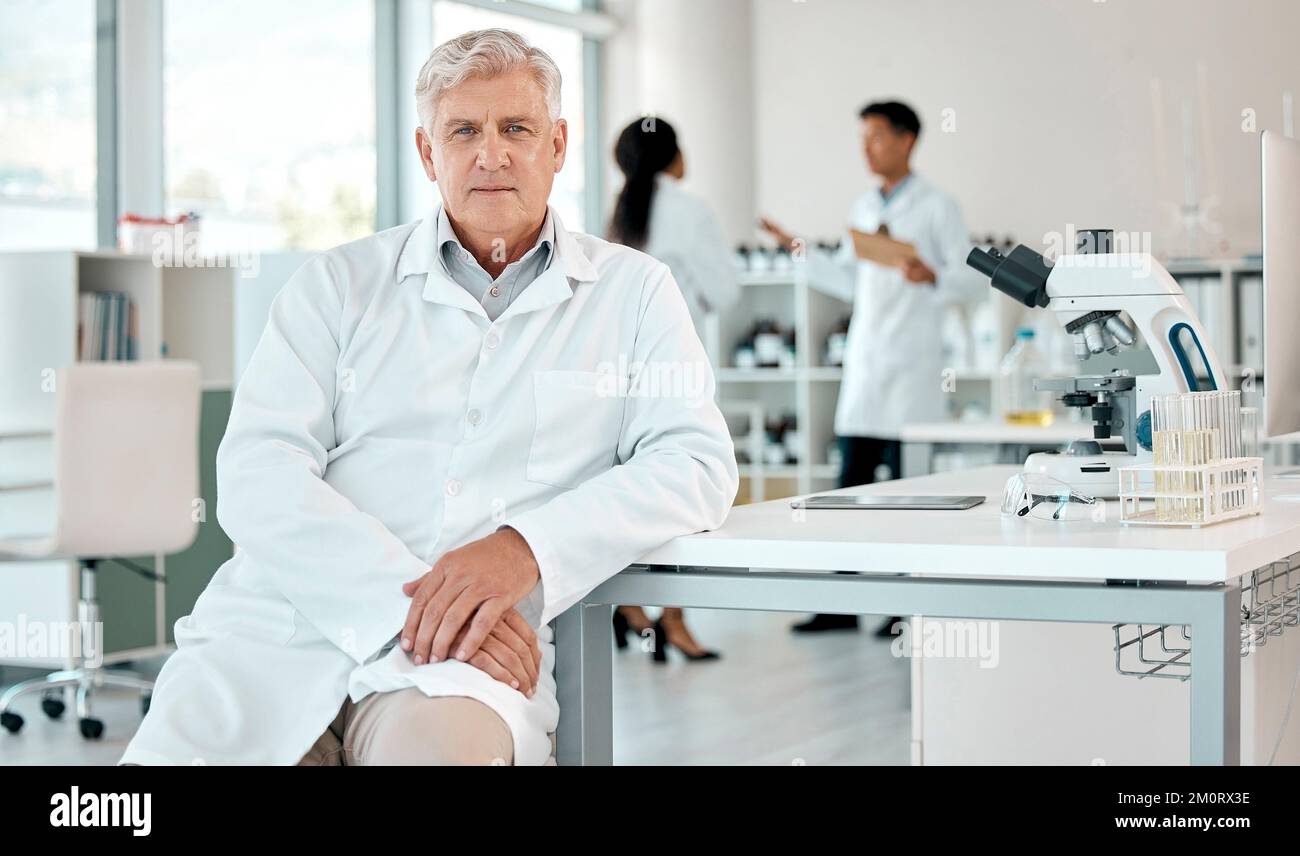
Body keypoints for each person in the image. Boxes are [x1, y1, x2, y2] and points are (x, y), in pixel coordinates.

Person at [120, 28, 738, 766]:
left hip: (465, 671)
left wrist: (523, 550)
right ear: (426, 152)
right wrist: (412, 604)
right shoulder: (336, 285)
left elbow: (694, 463)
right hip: (279, 635)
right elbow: (257, 475)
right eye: (464, 131)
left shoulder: (634, 293)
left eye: (516, 128)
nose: (492, 153)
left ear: (559, 144)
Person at [761, 100, 979, 636]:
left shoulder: (937, 207)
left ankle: (905, 607)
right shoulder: (862, 207)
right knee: (847, 491)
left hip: (912, 369)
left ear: (907, 140)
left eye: (877, 136)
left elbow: (970, 278)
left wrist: (933, 276)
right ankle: (838, 604)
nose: (866, 147)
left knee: (910, 494)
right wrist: (796, 248)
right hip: (867, 366)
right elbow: (847, 280)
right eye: (863, 137)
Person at [606, 117, 739, 662]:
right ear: (672, 157)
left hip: (622, 376)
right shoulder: (688, 209)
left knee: (635, 492)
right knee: (687, 496)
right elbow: (725, 290)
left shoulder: (618, 213)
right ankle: (675, 620)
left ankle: (633, 609)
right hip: (675, 377)